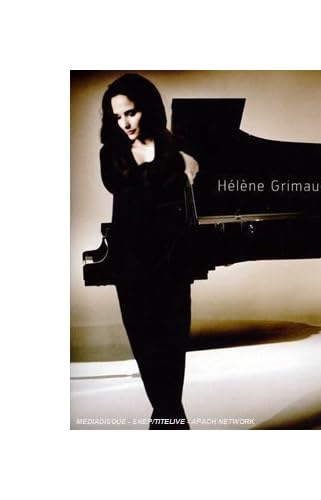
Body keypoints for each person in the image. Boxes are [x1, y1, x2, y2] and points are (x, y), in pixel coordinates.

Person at [99, 73, 199, 430]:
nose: (124, 123)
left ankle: (167, 421)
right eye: (117, 116)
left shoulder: (175, 146)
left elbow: (176, 200)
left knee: (173, 347)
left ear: (149, 109)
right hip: (132, 268)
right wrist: (178, 165)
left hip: (172, 263)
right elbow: (135, 190)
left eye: (131, 113)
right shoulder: (112, 155)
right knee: (147, 348)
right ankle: (170, 419)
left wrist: (179, 163)